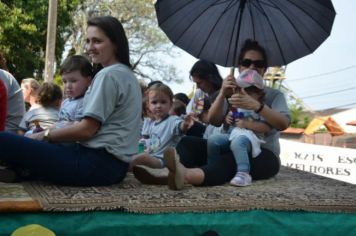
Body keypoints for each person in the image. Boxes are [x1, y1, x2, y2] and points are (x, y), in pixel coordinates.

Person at [0, 16, 142, 186]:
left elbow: (86, 130)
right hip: (114, 167)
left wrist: (43, 135)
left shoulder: (109, 75)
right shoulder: (128, 75)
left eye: (97, 41)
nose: (90, 47)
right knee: (31, 149)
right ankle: (21, 171)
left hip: (96, 164)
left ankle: (23, 169)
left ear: (115, 43)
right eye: (88, 41)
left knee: (5, 140)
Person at [135, 39, 290, 190]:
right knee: (187, 142)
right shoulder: (232, 92)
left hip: (261, 154)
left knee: (231, 158)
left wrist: (257, 106)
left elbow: (283, 123)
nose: (252, 67)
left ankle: (186, 175)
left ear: (265, 69)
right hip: (227, 143)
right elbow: (214, 121)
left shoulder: (274, 95)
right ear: (239, 67)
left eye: (258, 64)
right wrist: (223, 93)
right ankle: (169, 171)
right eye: (246, 62)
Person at [208, 69, 271, 187]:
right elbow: (233, 120)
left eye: (247, 91)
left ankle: (243, 173)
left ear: (259, 94)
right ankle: (213, 166)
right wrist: (227, 119)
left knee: (238, 142)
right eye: (239, 89)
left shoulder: (260, 108)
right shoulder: (236, 105)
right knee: (213, 140)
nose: (242, 93)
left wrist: (247, 124)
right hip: (233, 134)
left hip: (252, 139)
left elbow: (266, 127)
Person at [130, 83, 193, 170]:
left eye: (163, 102)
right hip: (152, 157)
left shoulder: (172, 120)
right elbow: (148, 143)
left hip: (163, 161)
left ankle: (122, 169)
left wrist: (185, 124)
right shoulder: (152, 124)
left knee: (142, 158)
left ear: (171, 104)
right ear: (149, 105)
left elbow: (180, 126)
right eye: (154, 102)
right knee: (134, 153)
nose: (158, 106)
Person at [185, 59, 225, 138]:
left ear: (210, 78)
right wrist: (201, 114)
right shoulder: (200, 93)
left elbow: (213, 119)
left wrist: (203, 115)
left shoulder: (224, 93)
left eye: (199, 83)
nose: (197, 87)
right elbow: (193, 114)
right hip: (205, 132)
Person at [56, 55, 93, 128]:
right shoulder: (66, 102)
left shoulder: (85, 102)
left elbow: (78, 126)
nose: (68, 86)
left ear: (88, 81)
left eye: (73, 81)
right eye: (64, 81)